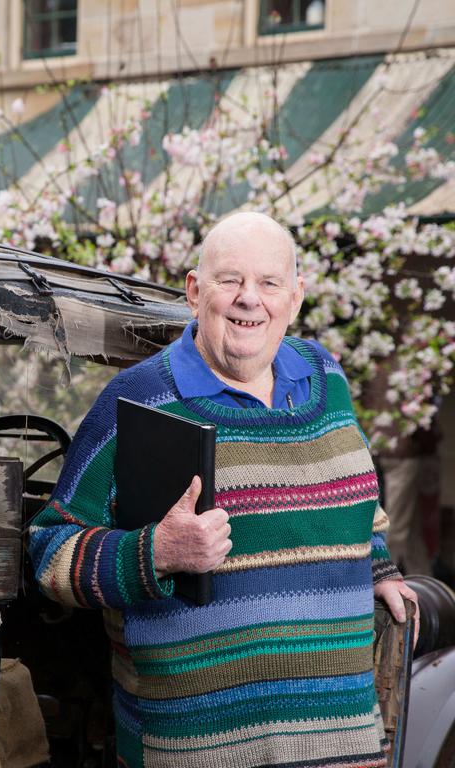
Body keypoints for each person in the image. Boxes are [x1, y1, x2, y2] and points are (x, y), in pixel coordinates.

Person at [30, 211, 419, 768]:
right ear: (194, 292)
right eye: (229, 280)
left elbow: (357, 502)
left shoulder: (325, 377)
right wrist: (156, 553)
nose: (248, 299)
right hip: (196, 751)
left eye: (268, 283)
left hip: (342, 747)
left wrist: (378, 568)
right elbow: (49, 554)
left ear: (296, 297)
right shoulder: (135, 402)